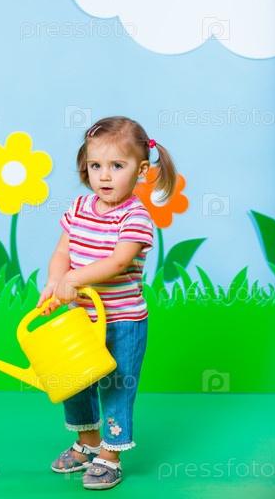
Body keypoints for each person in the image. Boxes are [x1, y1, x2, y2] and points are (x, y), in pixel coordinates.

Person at [37, 116, 177, 490]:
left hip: (122, 323)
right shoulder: (80, 207)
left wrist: (74, 279)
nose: (104, 176)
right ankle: (87, 443)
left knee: (116, 386)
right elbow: (63, 251)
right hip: (81, 320)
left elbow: (117, 262)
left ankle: (111, 455)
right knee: (75, 383)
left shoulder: (136, 217)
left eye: (117, 166)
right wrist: (55, 282)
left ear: (141, 170)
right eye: (96, 165)